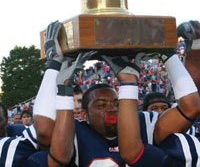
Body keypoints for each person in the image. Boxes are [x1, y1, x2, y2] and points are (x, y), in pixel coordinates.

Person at [29, 21, 200, 166]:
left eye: (117, 103)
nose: (111, 108)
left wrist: (169, 55)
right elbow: (43, 130)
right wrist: (54, 67)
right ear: (84, 115)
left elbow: (191, 108)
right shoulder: (74, 130)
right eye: (101, 105)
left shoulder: (144, 122)